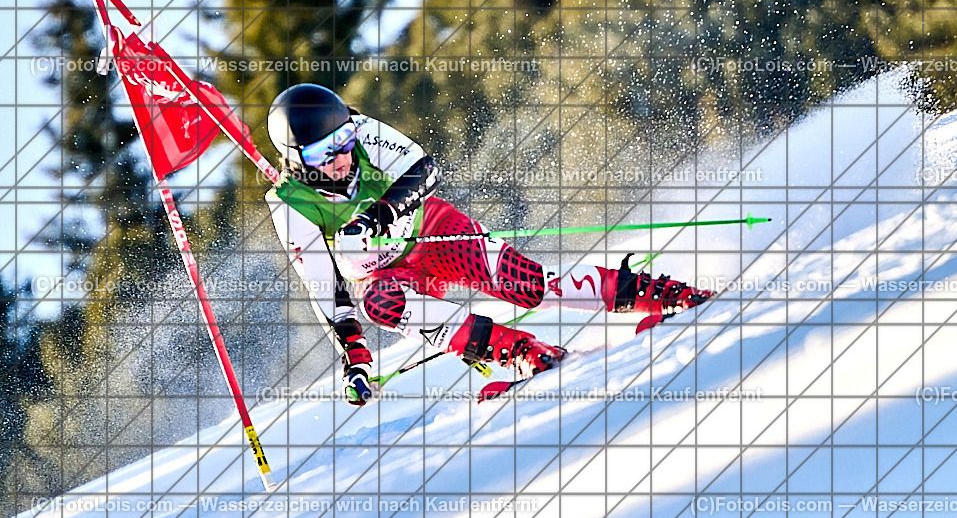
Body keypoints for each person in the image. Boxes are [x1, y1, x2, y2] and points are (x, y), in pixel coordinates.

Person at [265, 84, 714, 406]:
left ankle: (657, 294)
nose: (342, 157)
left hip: (432, 229)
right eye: (323, 153)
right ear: (294, 159)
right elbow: (328, 290)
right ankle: (521, 352)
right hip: (385, 273)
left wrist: (382, 212)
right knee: (382, 303)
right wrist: (356, 357)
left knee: (530, 285)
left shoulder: (361, 129)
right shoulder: (290, 205)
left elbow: (423, 168)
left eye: (343, 141)